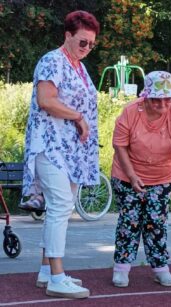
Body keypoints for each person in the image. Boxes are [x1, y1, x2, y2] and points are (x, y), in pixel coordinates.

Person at [21, 10, 100, 299]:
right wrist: (79, 117)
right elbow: (46, 100)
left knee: (61, 208)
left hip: (70, 151)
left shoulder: (77, 65)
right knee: (60, 206)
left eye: (92, 44)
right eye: (82, 42)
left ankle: (46, 270)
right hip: (50, 145)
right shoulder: (52, 61)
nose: (87, 49)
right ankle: (56, 276)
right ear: (67, 35)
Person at [111, 71, 171, 288]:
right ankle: (122, 268)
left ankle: (160, 268)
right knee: (130, 221)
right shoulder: (130, 111)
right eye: (157, 99)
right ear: (146, 96)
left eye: (168, 99)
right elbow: (119, 145)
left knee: (156, 222)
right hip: (127, 175)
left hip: (162, 176)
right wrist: (132, 176)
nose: (163, 104)